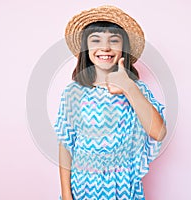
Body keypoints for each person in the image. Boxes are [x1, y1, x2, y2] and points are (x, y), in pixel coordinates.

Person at [54, 5, 167, 200]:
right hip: (83, 186)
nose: (105, 47)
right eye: (95, 40)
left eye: (113, 40)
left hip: (123, 186)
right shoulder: (73, 93)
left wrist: (128, 87)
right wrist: (66, 194)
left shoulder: (137, 90)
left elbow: (158, 132)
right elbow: (66, 145)